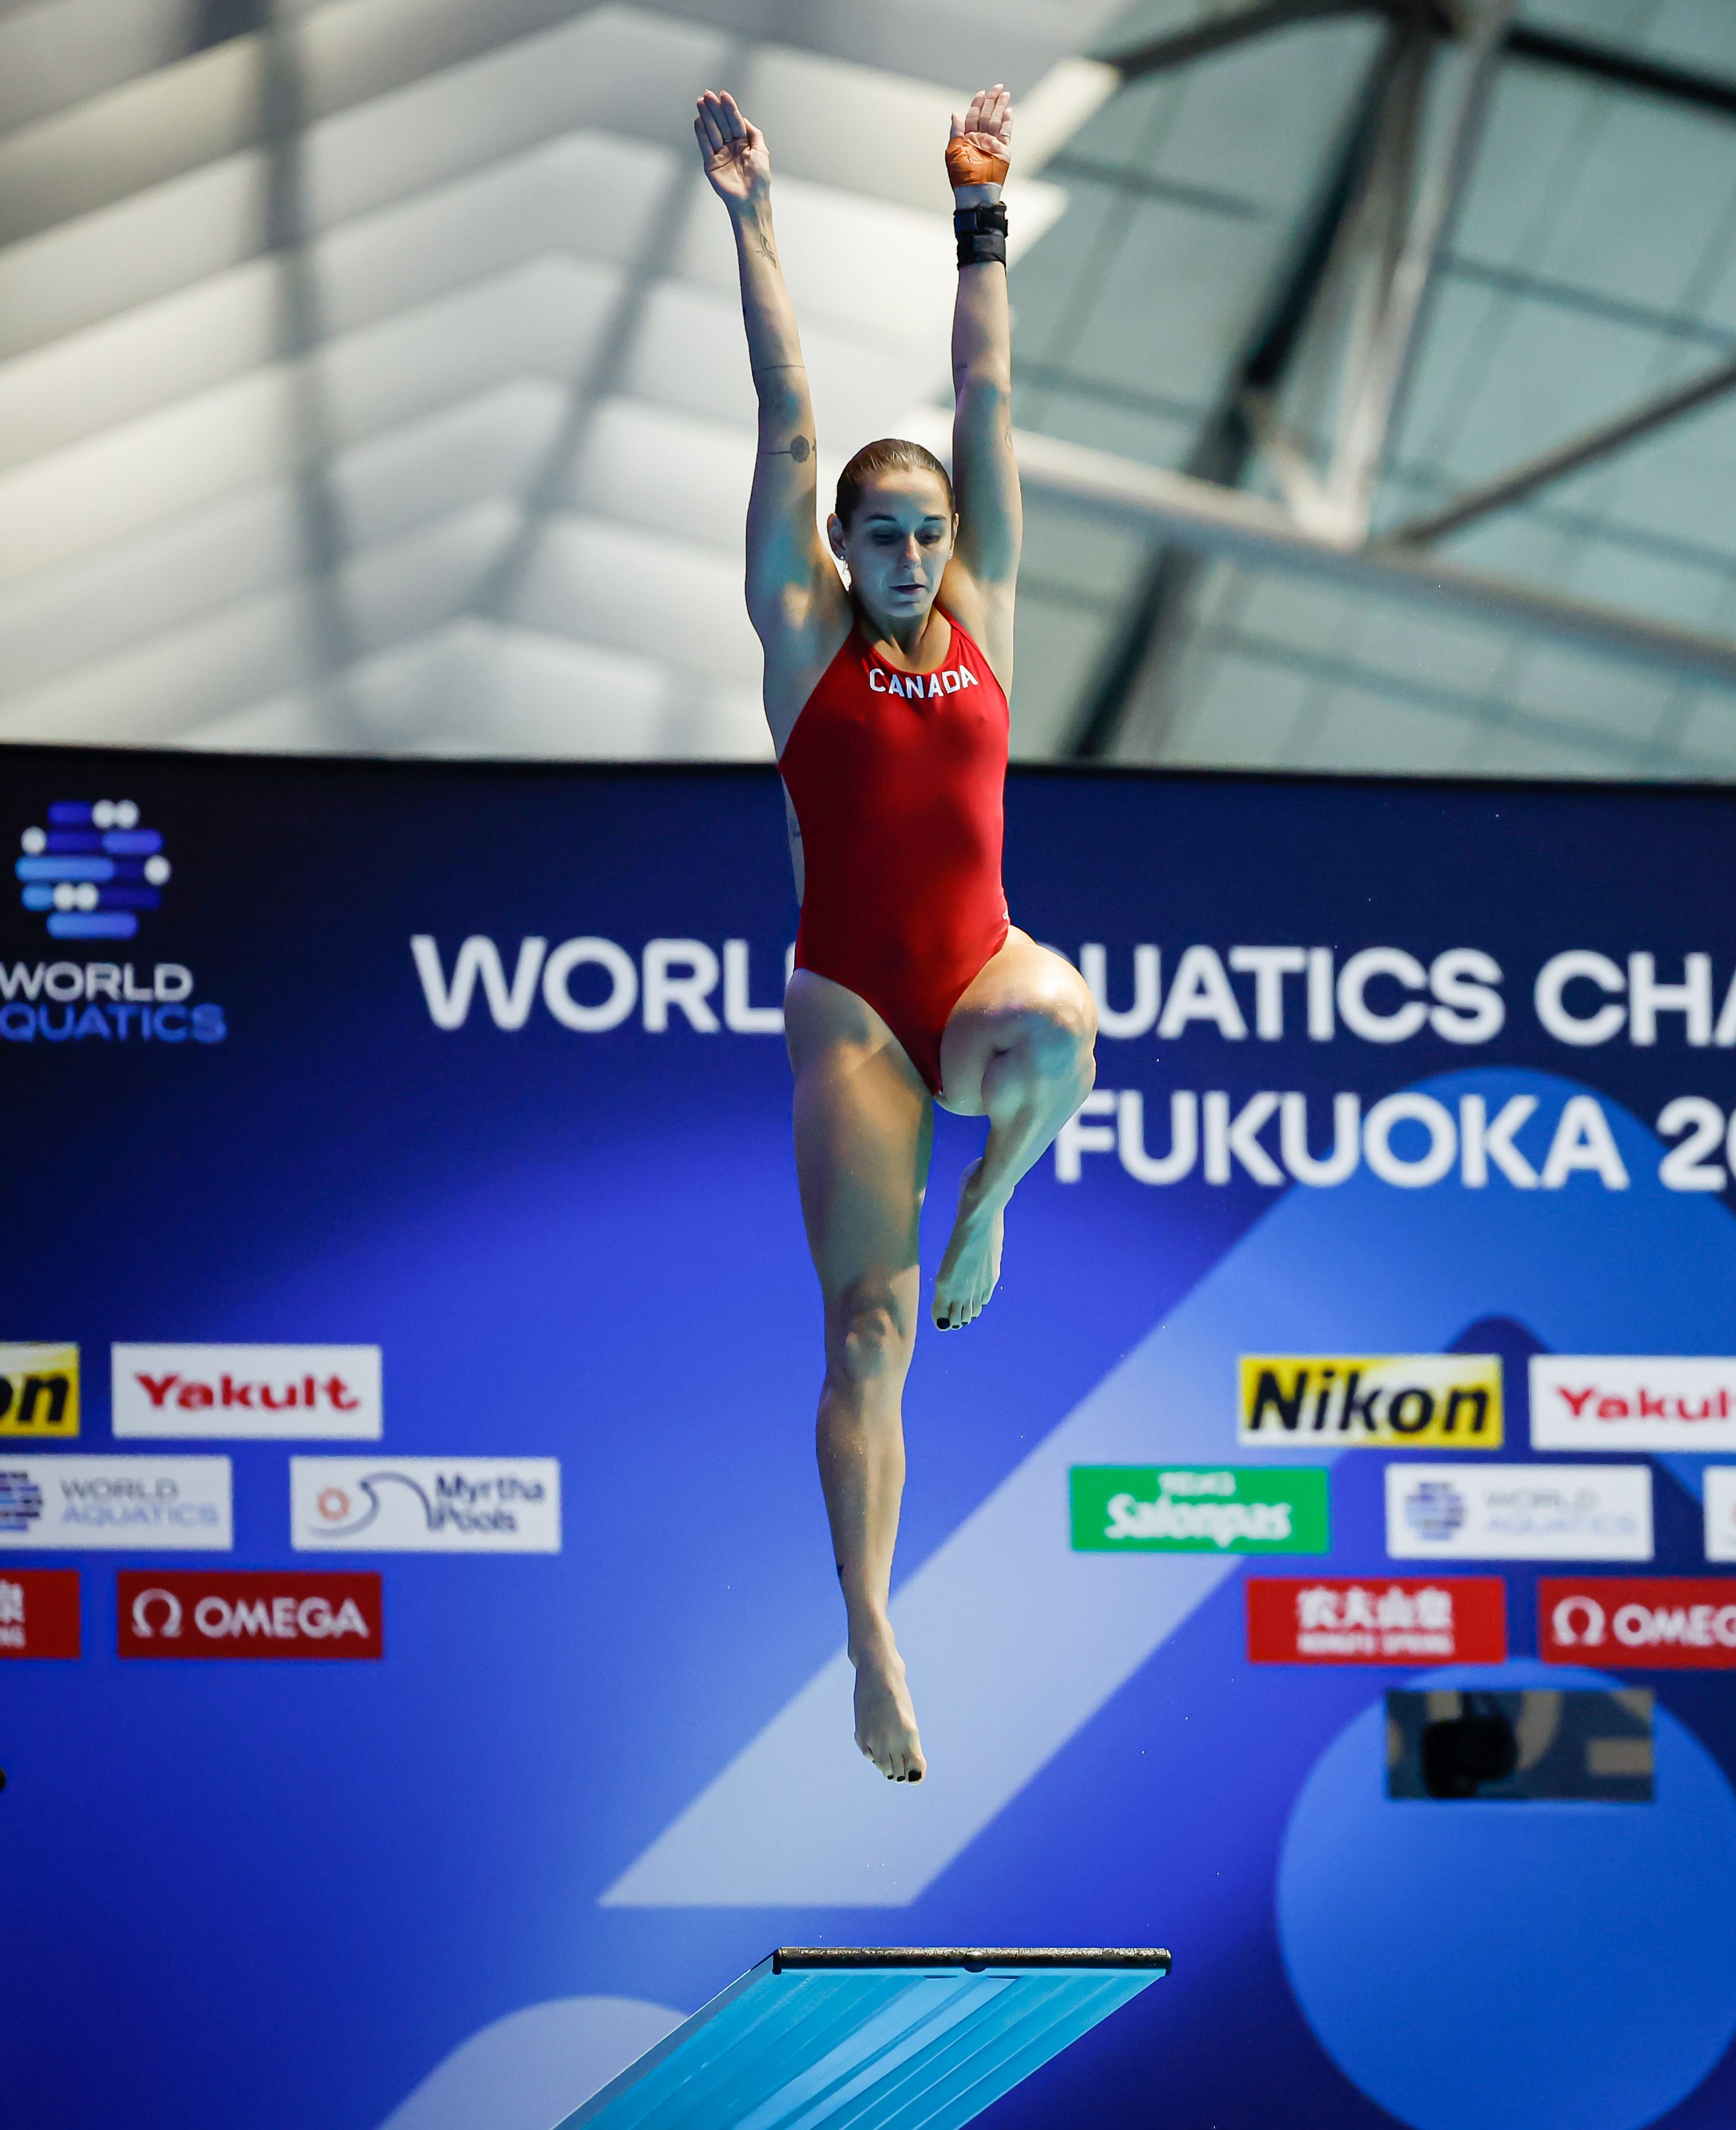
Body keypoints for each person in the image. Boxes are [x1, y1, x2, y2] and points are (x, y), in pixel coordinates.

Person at [695, 84, 1099, 1784]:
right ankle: (872, 1632)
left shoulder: (989, 607)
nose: (919, 554)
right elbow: (791, 414)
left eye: (935, 531)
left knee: (1068, 1018)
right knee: (864, 1326)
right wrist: (752, 216)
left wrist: (981, 204)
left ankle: (990, 1213)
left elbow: (988, 385)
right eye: (888, 534)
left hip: (979, 974)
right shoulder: (803, 640)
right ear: (840, 552)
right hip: (856, 1007)